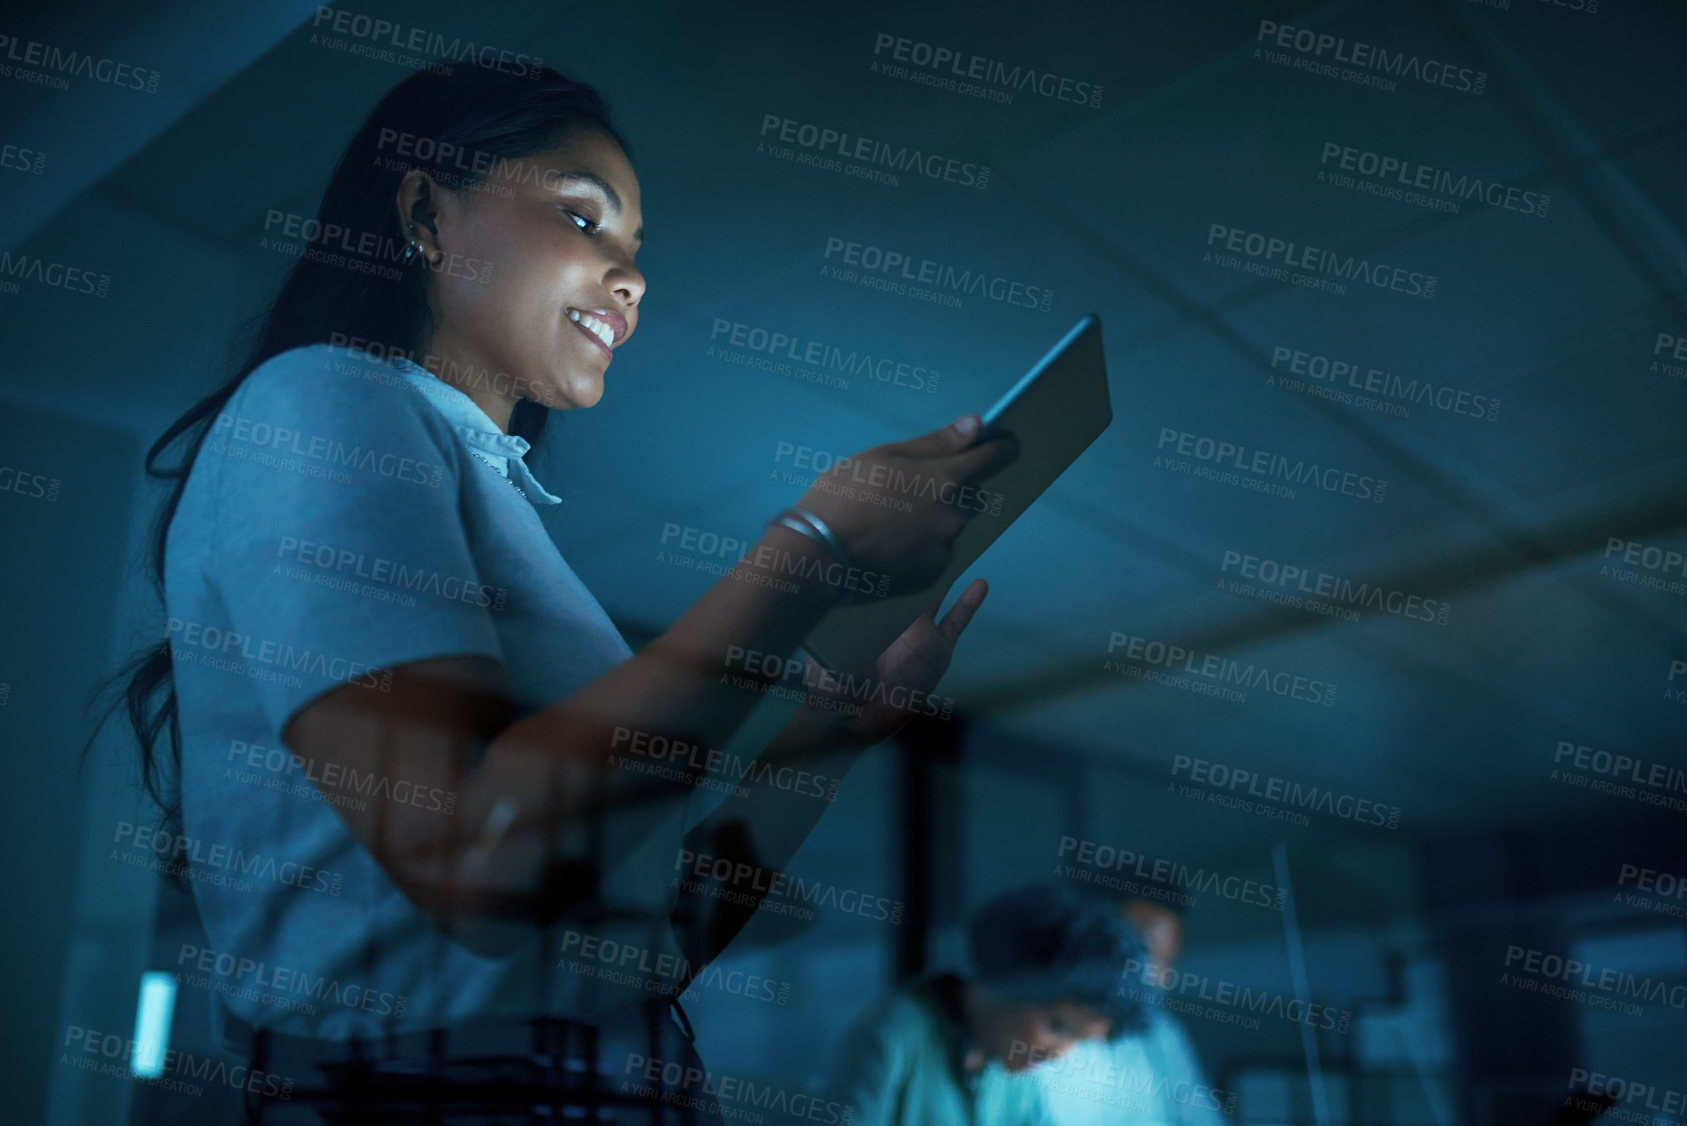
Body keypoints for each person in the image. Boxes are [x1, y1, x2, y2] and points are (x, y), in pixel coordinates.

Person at [100, 60, 1017, 1119]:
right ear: (423, 212)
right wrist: (804, 551)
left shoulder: (494, 509)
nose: (628, 277)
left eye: (634, 252)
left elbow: (651, 947)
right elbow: (479, 861)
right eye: (583, 217)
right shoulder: (320, 395)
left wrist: (833, 724)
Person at [833, 883, 1150, 1126]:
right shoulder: (893, 1038)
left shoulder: (1014, 1072)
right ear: (1007, 981)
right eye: (1058, 1027)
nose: (1059, 1053)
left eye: (1078, 1039)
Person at [1036, 888, 1232, 1125]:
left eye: (1166, 962)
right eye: (1144, 955)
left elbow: (1202, 1117)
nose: (1158, 978)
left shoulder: (1163, 1033)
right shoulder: (1047, 1034)